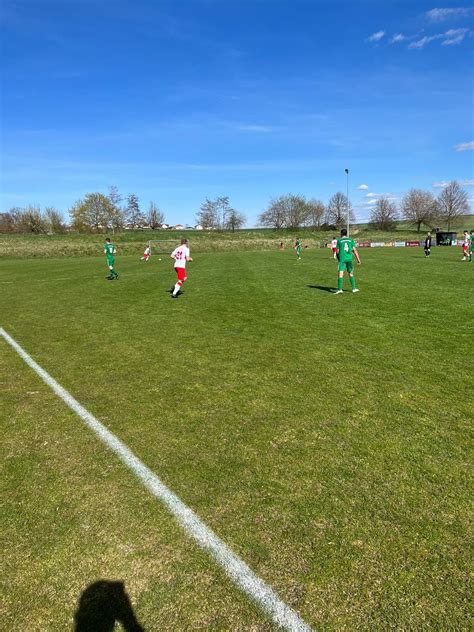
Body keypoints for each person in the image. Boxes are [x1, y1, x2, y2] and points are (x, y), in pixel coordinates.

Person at [334, 229, 361, 294]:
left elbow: (337, 251)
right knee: (351, 273)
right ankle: (354, 288)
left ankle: (340, 289)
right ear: (346, 234)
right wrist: (358, 259)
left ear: (341, 234)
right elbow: (354, 250)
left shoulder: (339, 240)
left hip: (342, 259)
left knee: (340, 274)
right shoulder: (350, 240)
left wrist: (338, 258)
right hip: (349, 259)